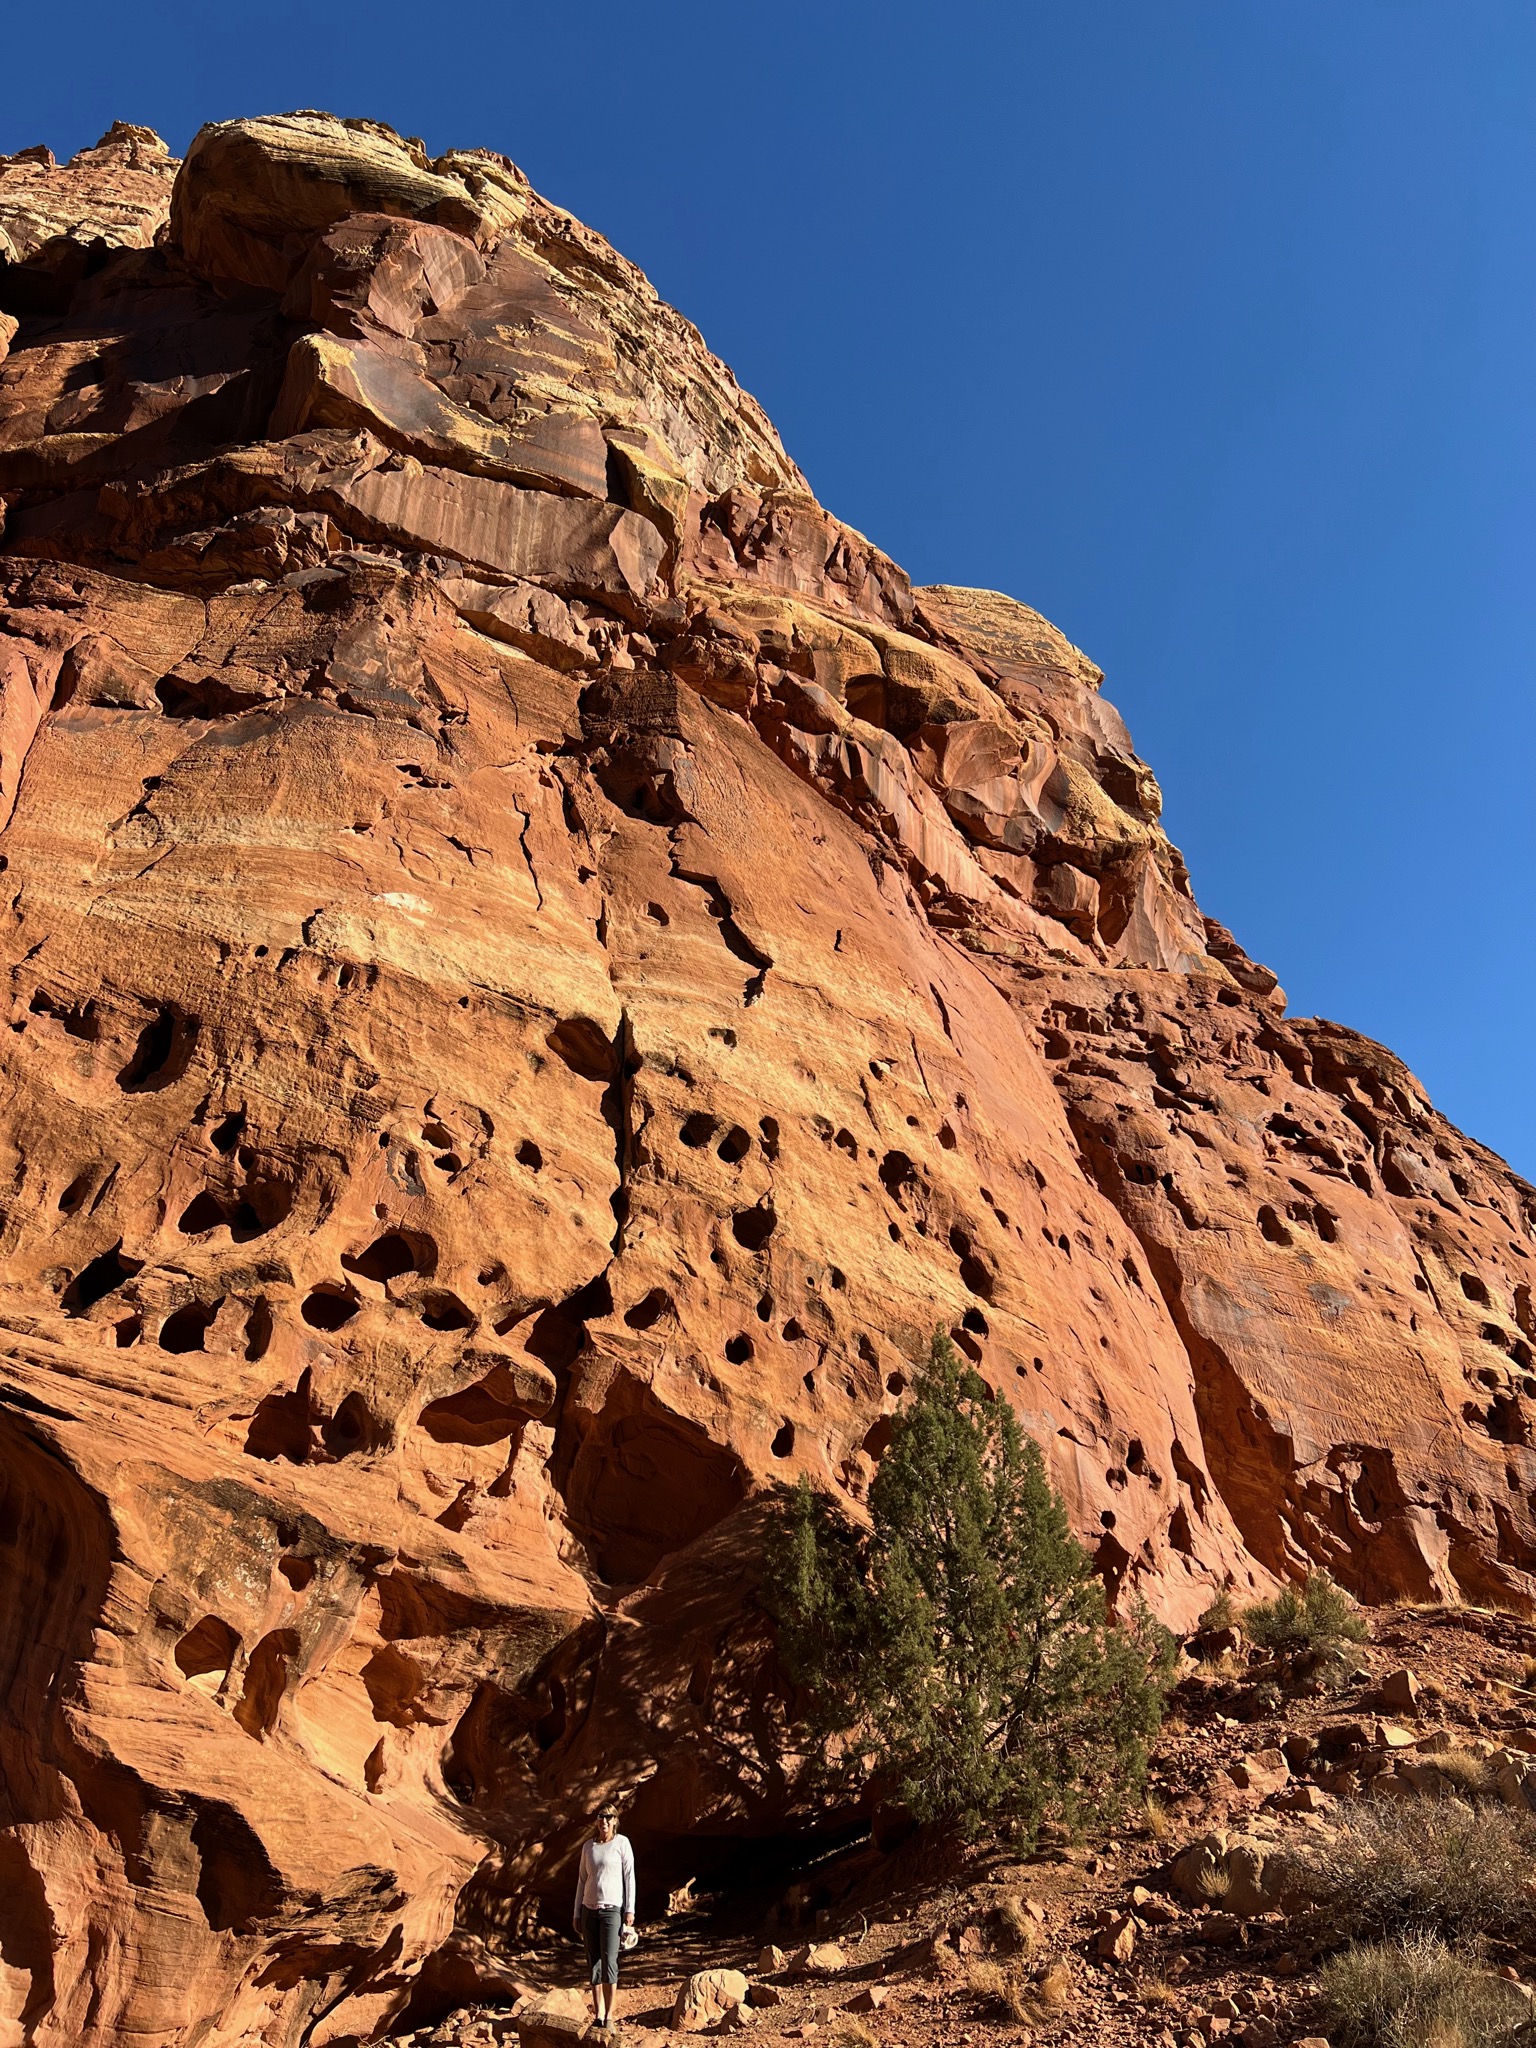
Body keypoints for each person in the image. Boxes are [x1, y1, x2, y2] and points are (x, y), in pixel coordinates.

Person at [572, 1803, 635, 2028]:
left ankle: (609, 2015)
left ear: (615, 1821)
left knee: (609, 1961)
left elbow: (629, 1878)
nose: (604, 1821)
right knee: (594, 1963)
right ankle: (598, 2014)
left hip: (612, 1911)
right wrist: (577, 1912)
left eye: (609, 1817)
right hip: (589, 1910)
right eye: (601, 1817)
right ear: (597, 1820)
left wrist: (630, 1910)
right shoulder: (588, 1847)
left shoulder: (622, 1844)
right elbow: (581, 1879)